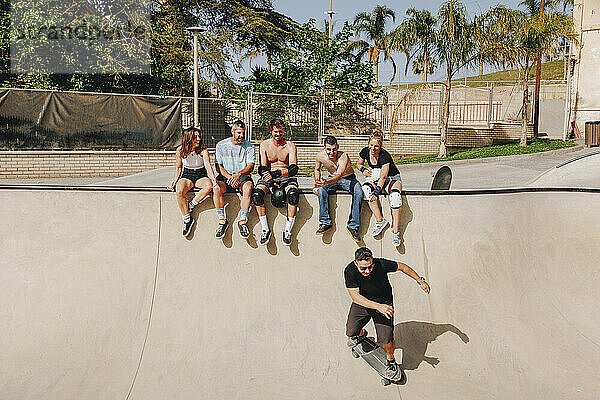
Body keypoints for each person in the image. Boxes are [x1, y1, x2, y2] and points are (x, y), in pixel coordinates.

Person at [344, 246, 430, 378]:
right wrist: (377, 306)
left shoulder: (381, 264)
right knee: (351, 332)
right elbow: (355, 297)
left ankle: (391, 361)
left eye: (370, 266)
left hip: (384, 304)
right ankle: (360, 335)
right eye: (363, 268)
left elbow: (403, 267)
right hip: (363, 303)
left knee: (386, 341)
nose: (368, 270)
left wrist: (420, 281)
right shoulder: (350, 271)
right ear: (356, 263)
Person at [167, 126, 225, 238]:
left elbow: (208, 165)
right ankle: (187, 219)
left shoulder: (203, 150)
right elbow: (179, 167)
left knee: (208, 186)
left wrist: (213, 179)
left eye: (199, 136)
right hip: (187, 174)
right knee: (179, 191)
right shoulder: (180, 150)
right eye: (195, 137)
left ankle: (191, 204)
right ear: (188, 138)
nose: (198, 139)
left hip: (200, 174)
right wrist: (174, 182)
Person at [252, 118, 299, 246]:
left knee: (293, 194)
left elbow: (293, 168)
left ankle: (288, 230)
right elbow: (262, 168)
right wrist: (271, 182)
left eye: (280, 131)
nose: (278, 134)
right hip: (269, 176)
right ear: (271, 131)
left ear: (284, 131)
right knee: (257, 194)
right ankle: (265, 229)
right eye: (275, 132)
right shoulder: (265, 145)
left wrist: (277, 173)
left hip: (286, 176)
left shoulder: (290, 145)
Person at [357, 130, 404, 247]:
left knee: (395, 196)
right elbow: (358, 164)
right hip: (375, 177)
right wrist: (363, 170)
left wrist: (377, 192)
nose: (373, 148)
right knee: (365, 189)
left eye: (376, 146)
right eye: (371, 145)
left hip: (391, 178)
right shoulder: (365, 151)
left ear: (381, 146)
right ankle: (380, 220)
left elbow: (383, 176)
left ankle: (396, 231)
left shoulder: (385, 156)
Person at [313, 135, 363, 243]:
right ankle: (325, 222)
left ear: (338, 147)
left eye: (334, 149)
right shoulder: (320, 156)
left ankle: (353, 226)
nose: (332, 152)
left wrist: (326, 182)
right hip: (331, 178)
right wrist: (317, 184)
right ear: (324, 148)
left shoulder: (343, 156)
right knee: (321, 190)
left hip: (348, 178)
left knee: (358, 192)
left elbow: (340, 175)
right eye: (329, 149)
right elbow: (317, 170)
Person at [214, 120, 255, 239]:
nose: (241, 136)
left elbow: (250, 166)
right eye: (238, 133)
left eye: (243, 133)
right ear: (232, 131)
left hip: (242, 176)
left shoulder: (249, 146)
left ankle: (242, 221)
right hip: (226, 176)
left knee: (248, 188)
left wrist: (238, 175)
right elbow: (218, 166)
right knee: (216, 188)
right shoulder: (221, 145)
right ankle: (222, 221)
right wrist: (229, 177)